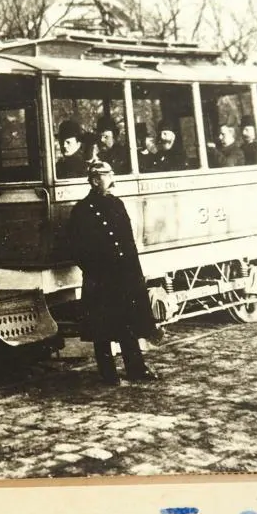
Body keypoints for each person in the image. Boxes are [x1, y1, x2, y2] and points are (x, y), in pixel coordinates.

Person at [66, 161, 160, 385]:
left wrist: (134, 272)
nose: (111, 178)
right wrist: (94, 270)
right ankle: (108, 373)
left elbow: (128, 241)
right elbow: (76, 247)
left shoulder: (116, 203)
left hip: (123, 275)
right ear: (95, 179)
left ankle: (136, 368)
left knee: (127, 323)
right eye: (107, 175)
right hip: (100, 278)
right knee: (102, 329)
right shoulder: (82, 210)